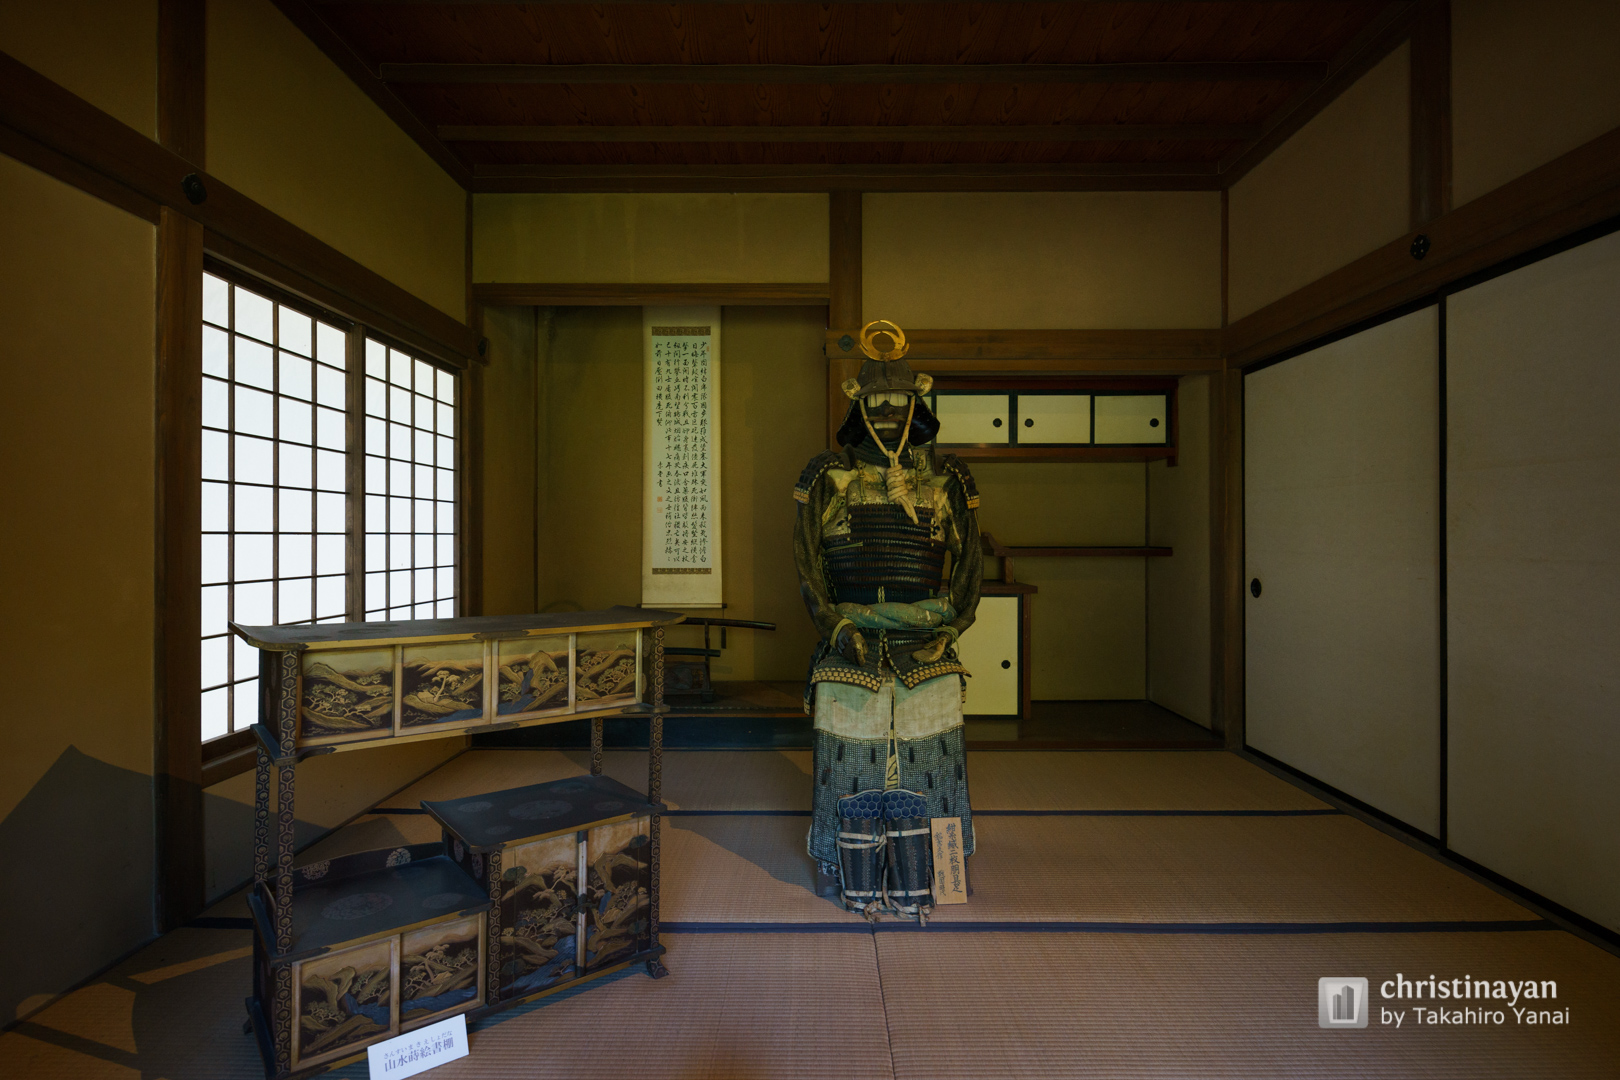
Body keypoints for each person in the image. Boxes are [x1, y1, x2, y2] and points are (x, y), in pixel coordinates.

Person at [792, 320, 984, 917]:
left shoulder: (948, 479)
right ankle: (839, 865)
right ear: (859, 405)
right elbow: (807, 566)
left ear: (917, 404)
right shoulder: (825, 477)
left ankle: (939, 867)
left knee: (936, 760)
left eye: (899, 402)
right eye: (877, 402)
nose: (887, 413)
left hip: (927, 640)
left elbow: (969, 566)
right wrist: (836, 627)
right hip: (848, 638)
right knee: (845, 761)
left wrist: (951, 627)